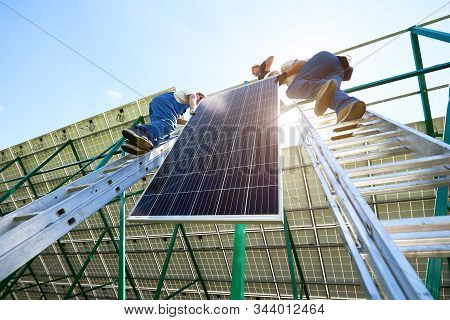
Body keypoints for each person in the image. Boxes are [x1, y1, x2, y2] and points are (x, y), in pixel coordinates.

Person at [276, 51, 366, 123]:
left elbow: (301, 63)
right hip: (339, 70)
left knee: (291, 92)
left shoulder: (285, 70)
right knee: (327, 94)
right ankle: (346, 106)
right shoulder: (297, 83)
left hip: (322, 60)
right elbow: (326, 90)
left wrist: (284, 74)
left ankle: (320, 88)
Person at [121, 90, 205, 155]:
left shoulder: (184, 107)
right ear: (198, 94)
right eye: (200, 98)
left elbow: (178, 120)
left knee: (162, 133)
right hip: (166, 102)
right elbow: (193, 98)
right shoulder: (192, 94)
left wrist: (190, 122)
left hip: (159, 105)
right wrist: (193, 111)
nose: (199, 101)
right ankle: (139, 131)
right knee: (168, 125)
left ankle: (135, 143)